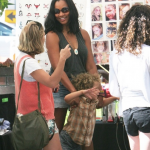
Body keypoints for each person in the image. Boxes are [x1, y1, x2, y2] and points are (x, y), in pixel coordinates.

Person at [45, 0, 104, 149]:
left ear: (71, 9)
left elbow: (91, 66)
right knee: (55, 133)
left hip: (83, 87)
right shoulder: (52, 35)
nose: (60, 14)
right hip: (61, 87)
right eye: (56, 11)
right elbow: (57, 67)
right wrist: (74, 92)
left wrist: (99, 89)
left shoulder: (83, 33)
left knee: (85, 133)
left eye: (64, 9)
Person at [14, 21, 71, 150]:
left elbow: (38, 83)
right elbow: (51, 81)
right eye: (42, 36)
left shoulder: (21, 59)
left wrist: (48, 86)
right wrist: (62, 59)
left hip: (31, 118)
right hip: (41, 118)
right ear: (37, 39)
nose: (44, 39)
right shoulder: (29, 63)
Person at [109, 4, 150, 150]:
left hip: (127, 110)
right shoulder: (147, 51)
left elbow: (113, 89)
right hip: (146, 107)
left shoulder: (116, 54)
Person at [60, 73, 118, 150]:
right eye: (97, 89)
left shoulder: (94, 102)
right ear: (87, 89)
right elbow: (67, 98)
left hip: (80, 141)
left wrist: (115, 98)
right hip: (68, 138)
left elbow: (103, 102)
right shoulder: (78, 100)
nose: (99, 92)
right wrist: (82, 92)